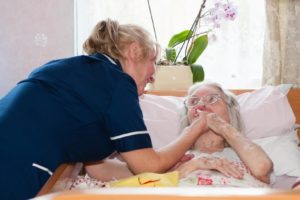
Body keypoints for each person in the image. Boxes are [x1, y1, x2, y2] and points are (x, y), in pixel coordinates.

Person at [0, 19, 208, 199]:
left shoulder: (75, 71)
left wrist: (170, 169)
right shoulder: (117, 81)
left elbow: (99, 169)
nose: (154, 75)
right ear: (134, 51)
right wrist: (194, 130)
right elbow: (147, 165)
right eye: (153, 60)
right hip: (15, 161)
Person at [176, 82, 273, 187]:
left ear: (230, 112)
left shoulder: (246, 153)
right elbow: (159, 184)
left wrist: (223, 127)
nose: (201, 105)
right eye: (193, 101)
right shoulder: (174, 157)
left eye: (212, 99)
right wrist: (193, 164)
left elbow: (262, 168)